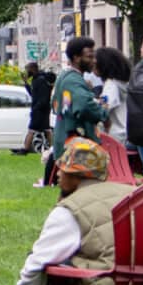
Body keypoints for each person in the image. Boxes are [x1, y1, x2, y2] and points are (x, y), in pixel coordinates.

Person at [2, 140, 129, 285]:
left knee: (51, 267)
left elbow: (35, 267)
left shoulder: (71, 210)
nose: (58, 174)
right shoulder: (135, 193)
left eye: (63, 169)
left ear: (77, 175)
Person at [43, 37, 105, 186]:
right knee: (84, 191)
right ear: (76, 58)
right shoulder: (74, 81)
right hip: (77, 148)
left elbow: (55, 104)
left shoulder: (64, 77)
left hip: (65, 143)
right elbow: (84, 106)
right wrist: (103, 111)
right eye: (89, 56)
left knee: (69, 191)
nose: (94, 60)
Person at [96, 46, 132, 147]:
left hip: (114, 136)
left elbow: (104, 109)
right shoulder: (123, 83)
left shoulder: (111, 85)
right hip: (125, 132)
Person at [19, 61, 56, 156]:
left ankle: (25, 149)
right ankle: (53, 149)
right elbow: (34, 95)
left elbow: (42, 97)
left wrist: (36, 108)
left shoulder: (40, 80)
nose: (27, 72)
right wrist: (26, 83)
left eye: (28, 70)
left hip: (40, 110)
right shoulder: (37, 79)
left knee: (32, 129)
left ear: (33, 69)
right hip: (43, 109)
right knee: (47, 130)